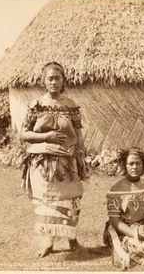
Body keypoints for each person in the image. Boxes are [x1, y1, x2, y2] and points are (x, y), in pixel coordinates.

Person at [21, 61, 89, 257]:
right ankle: (48, 242)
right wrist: (46, 136)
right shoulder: (36, 105)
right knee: (48, 202)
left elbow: (78, 132)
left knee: (70, 199)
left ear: (63, 80)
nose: (54, 82)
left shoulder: (71, 106)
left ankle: (72, 240)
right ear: (43, 81)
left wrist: (80, 153)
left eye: (57, 78)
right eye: (50, 78)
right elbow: (24, 134)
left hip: (67, 162)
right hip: (43, 164)